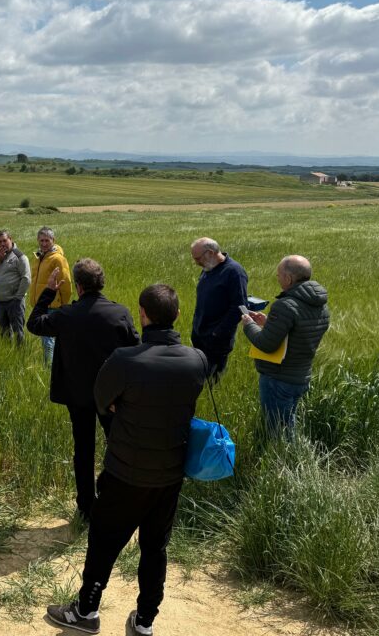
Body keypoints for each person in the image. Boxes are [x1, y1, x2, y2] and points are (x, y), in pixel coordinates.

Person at [46, 284, 207, 636]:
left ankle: (85, 611)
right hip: (170, 475)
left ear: (142, 315)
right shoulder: (197, 360)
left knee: (103, 542)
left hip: (124, 473)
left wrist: (124, 405)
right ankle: (145, 620)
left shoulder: (124, 360)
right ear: (178, 315)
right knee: (155, 547)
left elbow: (102, 402)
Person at [26, 259, 139, 521]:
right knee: (117, 446)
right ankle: (115, 499)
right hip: (112, 396)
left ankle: (86, 507)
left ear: (78, 286)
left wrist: (49, 291)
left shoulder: (66, 315)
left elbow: (34, 323)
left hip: (77, 396)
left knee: (84, 449)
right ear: (102, 283)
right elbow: (135, 350)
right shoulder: (119, 313)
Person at [240, 255, 330, 436]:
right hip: (300, 376)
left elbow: (266, 344)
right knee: (288, 424)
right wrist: (269, 323)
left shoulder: (285, 305)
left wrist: (249, 324)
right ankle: (294, 452)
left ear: (288, 278)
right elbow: (298, 333)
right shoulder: (320, 305)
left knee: (276, 432)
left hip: (278, 378)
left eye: (279, 275)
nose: (277, 278)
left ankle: (281, 455)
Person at [190, 237, 249, 379]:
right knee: (198, 375)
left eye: (198, 258)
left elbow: (239, 307)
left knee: (212, 379)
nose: (196, 262)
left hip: (217, 340)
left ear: (210, 253)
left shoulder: (234, 272)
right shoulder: (208, 267)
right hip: (199, 334)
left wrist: (217, 333)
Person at [29, 226, 71, 364]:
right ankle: (51, 365)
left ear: (54, 240)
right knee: (46, 339)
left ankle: (49, 369)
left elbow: (65, 283)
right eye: (41, 240)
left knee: (48, 341)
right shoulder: (38, 257)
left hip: (52, 305)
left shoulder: (58, 259)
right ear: (37, 240)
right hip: (41, 304)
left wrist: (63, 304)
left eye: (47, 240)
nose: (44, 243)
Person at [0, 229, 31, 344]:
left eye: (4, 241)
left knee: (18, 333)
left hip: (15, 301)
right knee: (3, 332)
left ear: (10, 239)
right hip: (1, 302)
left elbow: (26, 279)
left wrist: (18, 298)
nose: (2, 244)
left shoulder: (19, 257)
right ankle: (6, 352)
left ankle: (21, 353)